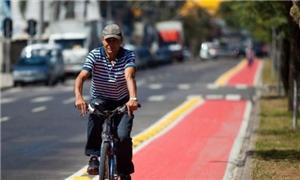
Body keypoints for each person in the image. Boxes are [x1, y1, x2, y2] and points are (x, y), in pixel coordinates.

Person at [74, 24, 139, 180]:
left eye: (114, 41)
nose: (111, 45)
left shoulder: (128, 55)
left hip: (123, 101)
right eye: (108, 41)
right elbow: (81, 77)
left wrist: (133, 99)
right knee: (93, 116)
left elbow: (129, 76)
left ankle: (124, 170)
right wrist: (79, 97)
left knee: (123, 137)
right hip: (101, 99)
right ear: (102, 40)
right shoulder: (94, 55)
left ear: (121, 41)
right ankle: (94, 157)